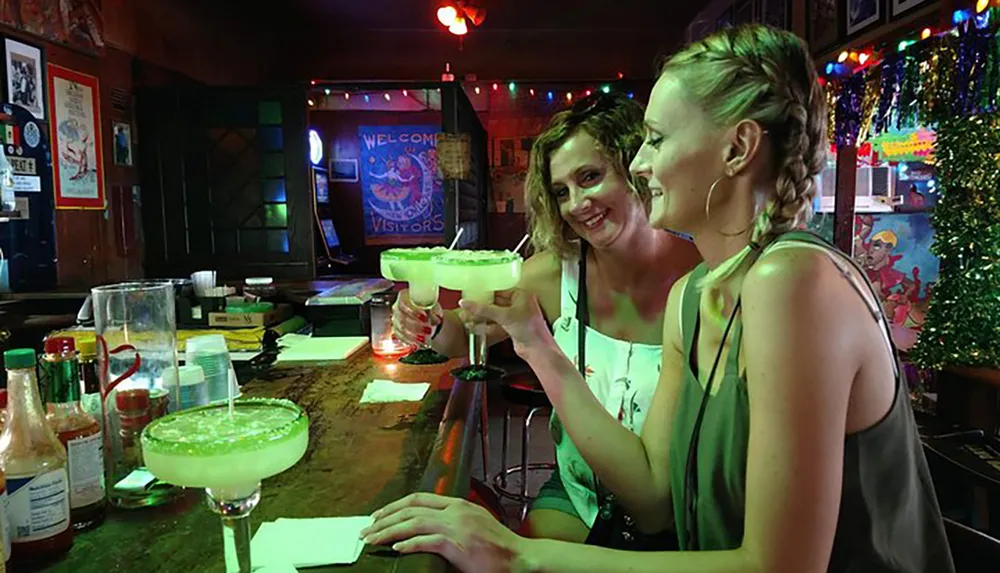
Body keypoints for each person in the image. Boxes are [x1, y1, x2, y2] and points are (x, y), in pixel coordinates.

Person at [362, 24, 956, 573]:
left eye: (656, 139)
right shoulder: (693, 297)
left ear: (737, 148)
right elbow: (650, 499)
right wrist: (530, 342)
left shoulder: (791, 279)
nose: (640, 162)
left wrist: (519, 555)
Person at [390, 91, 701, 543]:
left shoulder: (702, 276)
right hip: (580, 491)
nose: (576, 203)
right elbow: (463, 331)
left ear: (635, 167)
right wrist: (428, 322)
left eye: (590, 177)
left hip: (682, 509)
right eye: (561, 191)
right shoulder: (557, 273)